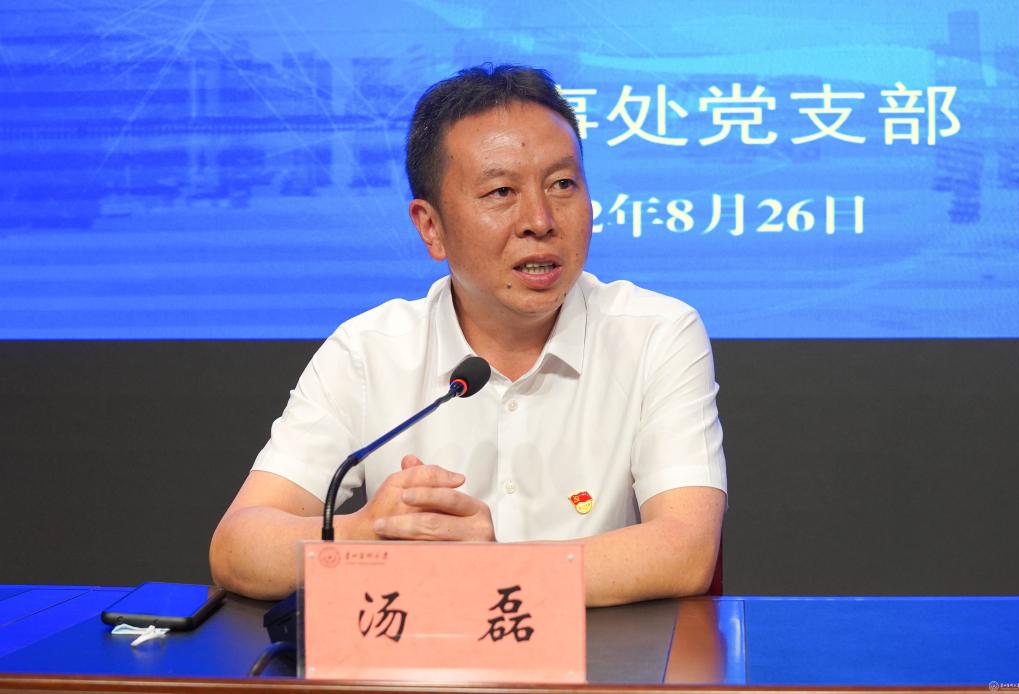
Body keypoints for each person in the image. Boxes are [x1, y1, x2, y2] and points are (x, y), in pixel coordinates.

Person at [209, 64, 727, 607]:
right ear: (430, 227)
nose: (541, 220)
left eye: (563, 184)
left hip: (597, 657)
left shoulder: (656, 334)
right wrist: (365, 534)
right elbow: (237, 546)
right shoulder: (367, 351)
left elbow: (686, 550)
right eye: (501, 191)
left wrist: (488, 571)